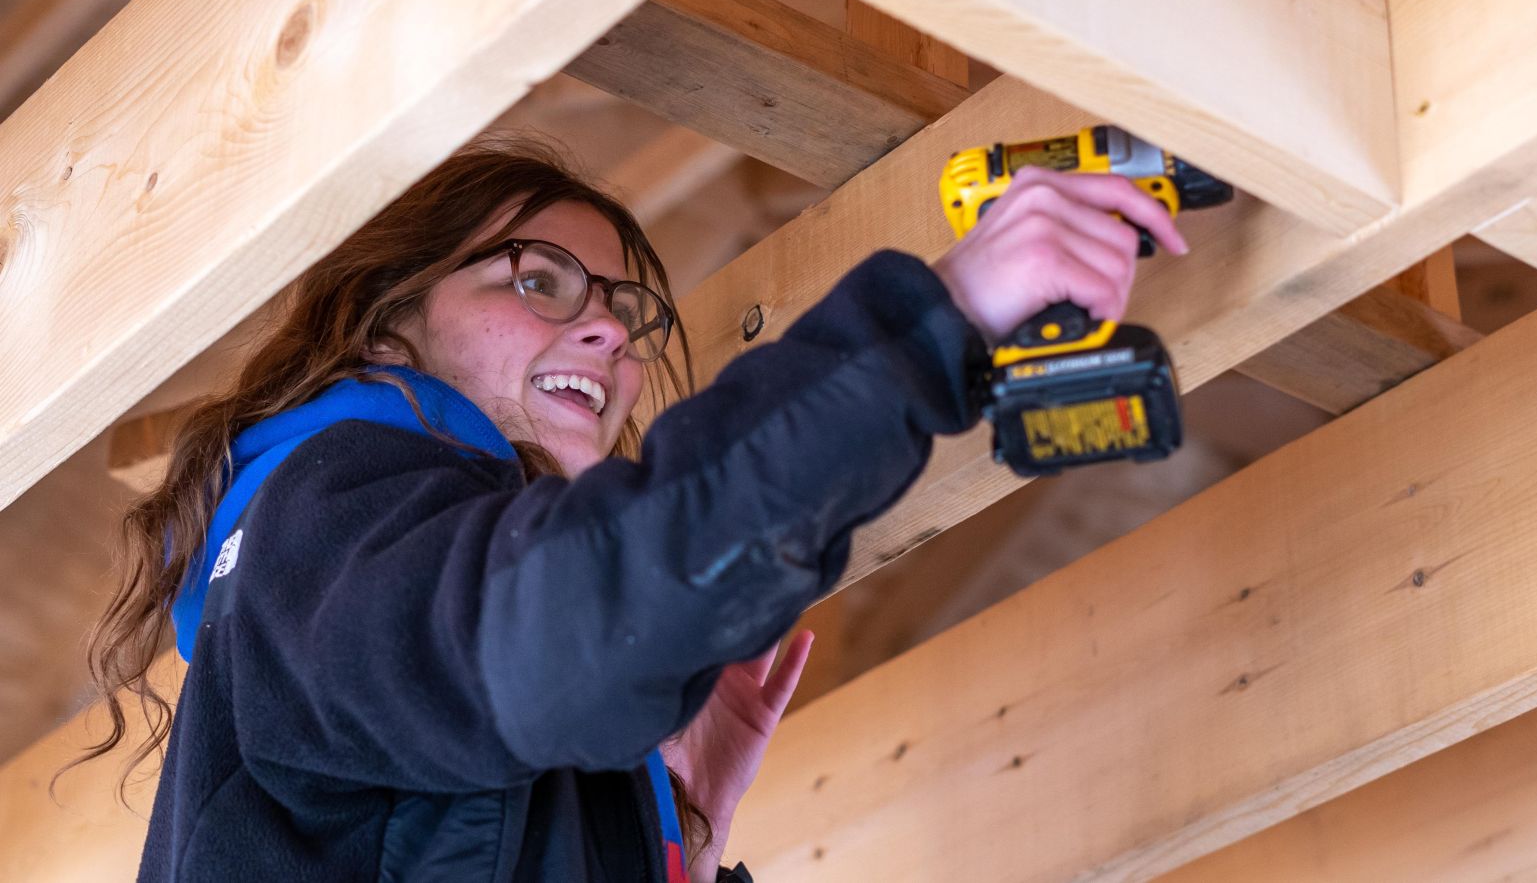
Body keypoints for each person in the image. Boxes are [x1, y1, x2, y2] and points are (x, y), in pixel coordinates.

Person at [67, 135, 1185, 882]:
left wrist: (663, 838)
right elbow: (554, 614)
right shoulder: (326, 509)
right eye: (537, 278)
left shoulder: (364, 601)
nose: (608, 331)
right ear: (381, 324)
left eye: (621, 309)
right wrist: (939, 314)